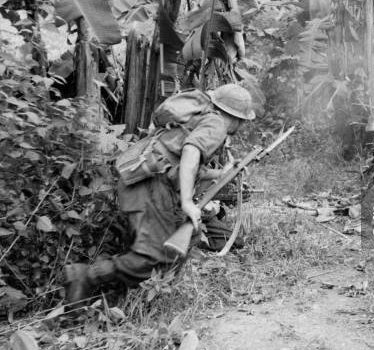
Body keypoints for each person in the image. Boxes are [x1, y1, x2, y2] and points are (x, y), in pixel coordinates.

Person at [63, 83, 256, 304]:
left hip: (149, 183)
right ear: (235, 116)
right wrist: (186, 202)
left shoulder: (199, 119)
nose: (241, 125)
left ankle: (138, 295)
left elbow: (182, 161)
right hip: (151, 186)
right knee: (154, 255)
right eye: (242, 120)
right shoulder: (216, 124)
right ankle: (87, 276)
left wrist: (221, 172)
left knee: (187, 236)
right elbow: (191, 152)